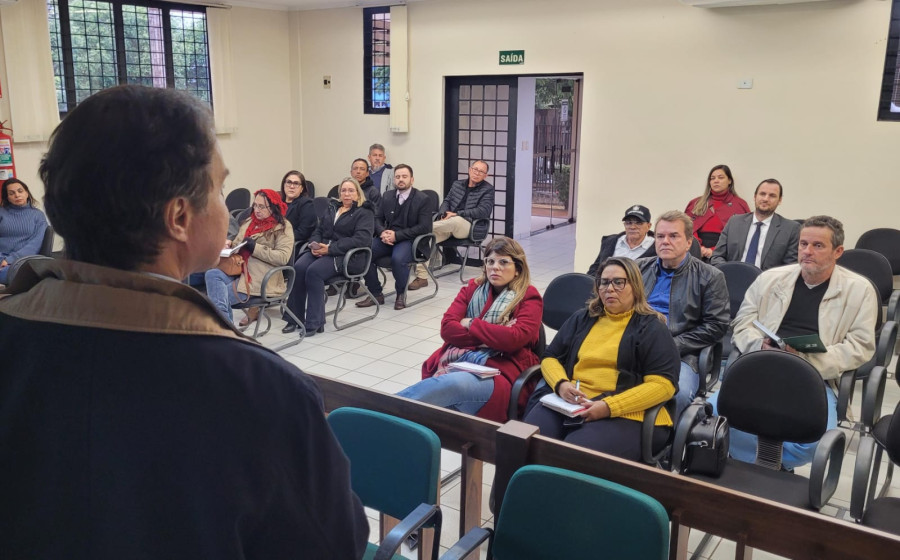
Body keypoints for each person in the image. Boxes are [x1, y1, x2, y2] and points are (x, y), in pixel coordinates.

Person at [0, 85, 368, 558]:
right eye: (218, 189)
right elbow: (335, 545)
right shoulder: (260, 389)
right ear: (178, 216)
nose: (226, 208)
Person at [715, 215, 878, 469]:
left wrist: (807, 359)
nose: (807, 251)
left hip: (812, 377)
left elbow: (860, 346)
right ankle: (758, 466)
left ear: (838, 252)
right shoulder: (771, 278)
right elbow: (743, 322)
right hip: (762, 364)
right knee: (714, 416)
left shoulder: (859, 290)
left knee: (814, 442)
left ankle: (771, 466)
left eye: (818, 245)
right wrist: (759, 346)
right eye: (803, 244)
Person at [523, 257, 680, 461]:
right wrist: (561, 384)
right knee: (523, 442)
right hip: (570, 403)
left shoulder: (652, 328)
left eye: (618, 282)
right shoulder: (582, 318)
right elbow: (551, 357)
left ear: (635, 287)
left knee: (571, 455)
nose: (609, 289)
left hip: (625, 412)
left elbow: (663, 385)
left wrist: (609, 407)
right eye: (604, 282)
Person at [397, 237, 542, 423]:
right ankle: (381, 416)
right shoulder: (472, 289)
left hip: (500, 369)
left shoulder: (528, 296)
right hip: (461, 360)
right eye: (490, 261)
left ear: (518, 269)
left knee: (452, 385)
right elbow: (447, 329)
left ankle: (379, 409)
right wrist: (494, 335)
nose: (495, 267)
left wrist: (472, 323)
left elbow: (514, 339)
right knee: (433, 402)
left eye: (503, 262)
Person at [637, 210, 730, 420]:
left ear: (689, 242)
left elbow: (716, 325)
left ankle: (663, 439)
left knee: (674, 397)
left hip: (682, 354)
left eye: (673, 236)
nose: (665, 241)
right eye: (660, 236)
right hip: (635, 347)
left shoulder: (710, 276)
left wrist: (672, 344)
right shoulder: (638, 269)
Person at [283, 177, 375, 336]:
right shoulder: (333, 207)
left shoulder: (364, 212)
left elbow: (361, 240)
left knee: (314, 272)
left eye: (351, 190)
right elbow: (318, 230)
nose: (347, 194)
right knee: (299, 267)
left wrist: (330, 249)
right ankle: (294, 318)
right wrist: (314, 244)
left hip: (347, 256)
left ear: (358, 193)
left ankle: (315, 322)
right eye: (343, 190)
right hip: (324, 249)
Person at [204, 189, 294, 326]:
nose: (257, 210)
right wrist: (230, 244)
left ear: (273, 208)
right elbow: (238, 243)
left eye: (262, 207)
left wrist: (255, 248)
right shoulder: (249, 221)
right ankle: (227, 329)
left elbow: (282, 257)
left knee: (217, 298)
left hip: (261, 277)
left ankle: (225, 330)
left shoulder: (283, 226)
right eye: (255, 205)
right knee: (212, 274)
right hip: (238, 270)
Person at [356, 164, 433, 310]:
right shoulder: (387, 196)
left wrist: (397, 236)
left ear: (412, 179)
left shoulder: (423, 199)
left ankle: (400, 294)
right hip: (388, 237)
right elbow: (377, 218)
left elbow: (424, 227)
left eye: (404, 176)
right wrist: (382, 232)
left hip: (410, 240)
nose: (400, 180)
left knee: (398, 259)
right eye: (397, 177)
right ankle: (375, 293)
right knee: (364, 252)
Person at [410, 160, 495, 291]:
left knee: (455, 221)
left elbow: (483, 211)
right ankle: (422, 277)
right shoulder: (457, 184)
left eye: (481, 171)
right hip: (447, 224)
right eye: (475, 169)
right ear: (470, 170)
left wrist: (457, 214)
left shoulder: (488, 189)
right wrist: (443, 213)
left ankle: (414, 228)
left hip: (469, 226)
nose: (477, 173)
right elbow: (447, 201)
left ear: (486, 175)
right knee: (427, 236)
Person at [711, 178, 800, 270]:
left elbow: (790, 268)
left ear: (780, 200)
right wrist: (729, 272)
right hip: (733, 276)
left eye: (772, 196)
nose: (766, 199)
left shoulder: (791, 229)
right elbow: (717, 256)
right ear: (755, 196)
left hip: (768, 278)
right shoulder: (734, 222)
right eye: (762, 194)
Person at [685, 164, 750, 259]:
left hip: (726, 252)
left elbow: (743, 235)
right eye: (712, 178)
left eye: (721, 177)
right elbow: (687, 228)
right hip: (695, 251)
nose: (716, 181)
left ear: (729, 180)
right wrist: (698, 248)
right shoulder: (696, 203)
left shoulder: (740, 204)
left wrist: (715, 250)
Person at [0, 178, 49, 285]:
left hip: (23, 260)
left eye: (20, 191)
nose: (17, 195)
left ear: (26, 193)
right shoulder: (1, 213)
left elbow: (35, 244)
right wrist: (1, 259)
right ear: (7, 197)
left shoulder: (37, 215)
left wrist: (10, 260)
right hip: (1, 258)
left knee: (19, 273)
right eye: (11, 193)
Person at [586, 204, 656, 276]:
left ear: (648, 226)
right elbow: (595, 269)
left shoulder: (657, 247)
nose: (632, 227)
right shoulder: (610, 242)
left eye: (638, 223)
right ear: (624, 225)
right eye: (629, 223)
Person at [280, 170, 317, 253]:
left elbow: (303, 232)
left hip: (292, 245)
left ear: (302, 189)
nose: (292, 186)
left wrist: (280, 238)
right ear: (284, 185)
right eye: (289, 182)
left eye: (296, 183)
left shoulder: (306, 204)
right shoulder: (277, 204)